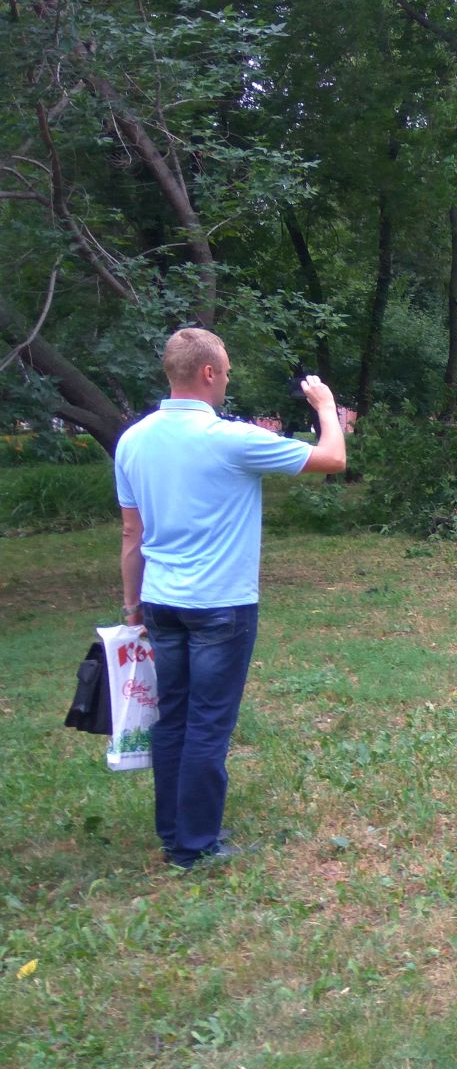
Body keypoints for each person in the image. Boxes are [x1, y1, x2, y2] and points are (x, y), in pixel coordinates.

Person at [114, 327, 346, 870]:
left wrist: (132, 608)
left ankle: (175, 832)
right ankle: (196, 847)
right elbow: (332, 459)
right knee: (208, 724)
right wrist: (326, 405)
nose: (227, 381)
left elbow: (131, 535)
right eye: (227, 372)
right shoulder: (231, 439)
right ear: (209, 373)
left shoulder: (133, 440)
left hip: (161, 603)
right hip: (221, 605)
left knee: (172, 718)